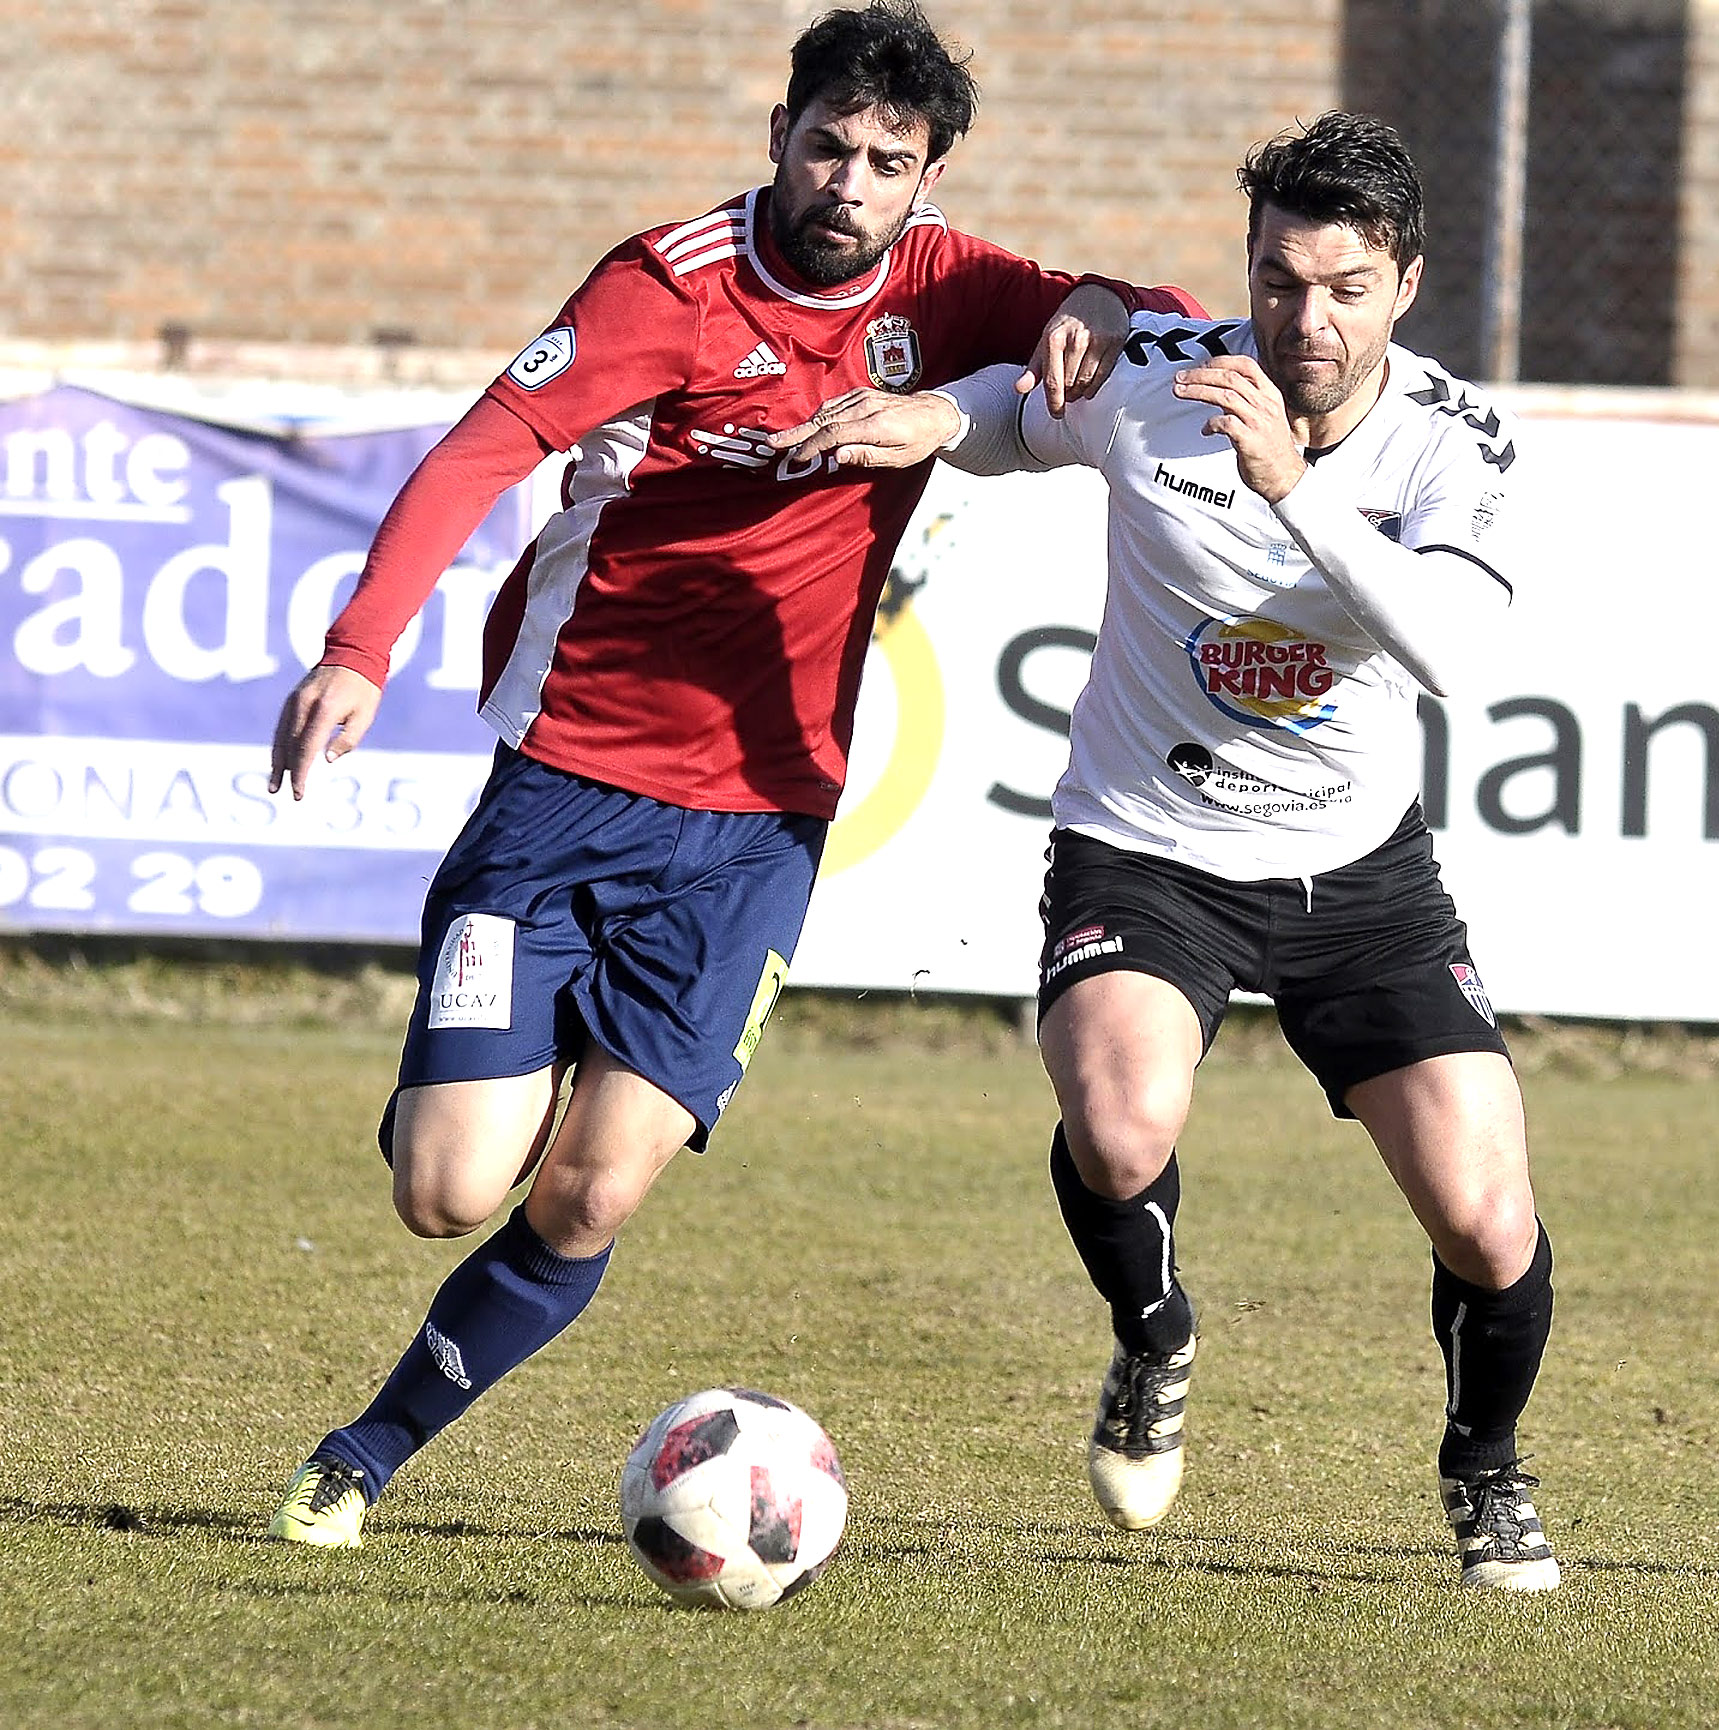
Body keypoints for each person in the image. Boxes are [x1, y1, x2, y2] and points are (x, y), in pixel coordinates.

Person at [261, 0, 1198, 1549]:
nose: (848, 178)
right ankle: (471, 1057)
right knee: (446, 1187)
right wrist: (360, 650)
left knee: (591, 1195)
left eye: (887, 160)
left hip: (758, 827)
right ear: (778, 136)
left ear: (927, 178)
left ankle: (359, 1453)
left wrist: (1092, 298)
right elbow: (474, 457)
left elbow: (1134, 313)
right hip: (565, 785)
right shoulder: (664, 289)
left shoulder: (947, 286)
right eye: (826, 143)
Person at [772, 110, 1560, 1591]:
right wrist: (941, 418)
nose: (1303, 319)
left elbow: (1456, 648)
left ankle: (1486, 1467)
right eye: (1277, 280)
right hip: (1147, 845)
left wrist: (1295, 490)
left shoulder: (1455, 442)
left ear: (1405, 287)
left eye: (1341, 287)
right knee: (1121, 1128)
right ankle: (1153, 1333)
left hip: (1357, 875)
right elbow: (1020, 406)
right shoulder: (1162, 380)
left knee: (1486, 1215)